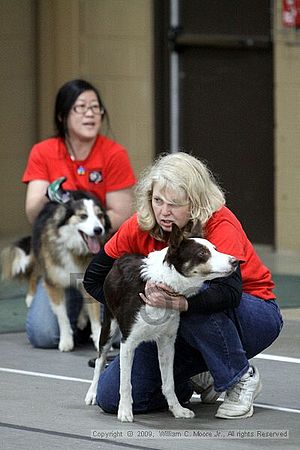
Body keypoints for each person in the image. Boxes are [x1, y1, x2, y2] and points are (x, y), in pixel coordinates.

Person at [83, 152, 283, 420]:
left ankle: (240, 378)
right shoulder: (141, 224)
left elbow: (229, 293)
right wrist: (133, 306)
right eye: (157, 201)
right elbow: (93, 280)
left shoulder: (219, 222)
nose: (164, 211)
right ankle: (198, 373)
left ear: (195, 202)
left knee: (191, 290)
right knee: (109, 396)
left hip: (252, 315)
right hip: (173, 322)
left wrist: (179, 303)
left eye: (174, 204)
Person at [22, 79, 136, 349]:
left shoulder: (114, 154)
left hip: (99, 254)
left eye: (96, 108)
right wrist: (49, 196)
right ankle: (81, 316)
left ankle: (92, 314)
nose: (90, 114)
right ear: (62, 116)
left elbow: (120, 214)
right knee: (43, 334)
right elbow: (32, 214)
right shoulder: (44, 152)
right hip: (62, 253)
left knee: (124, 335)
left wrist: (89, 229)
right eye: (81, 107)